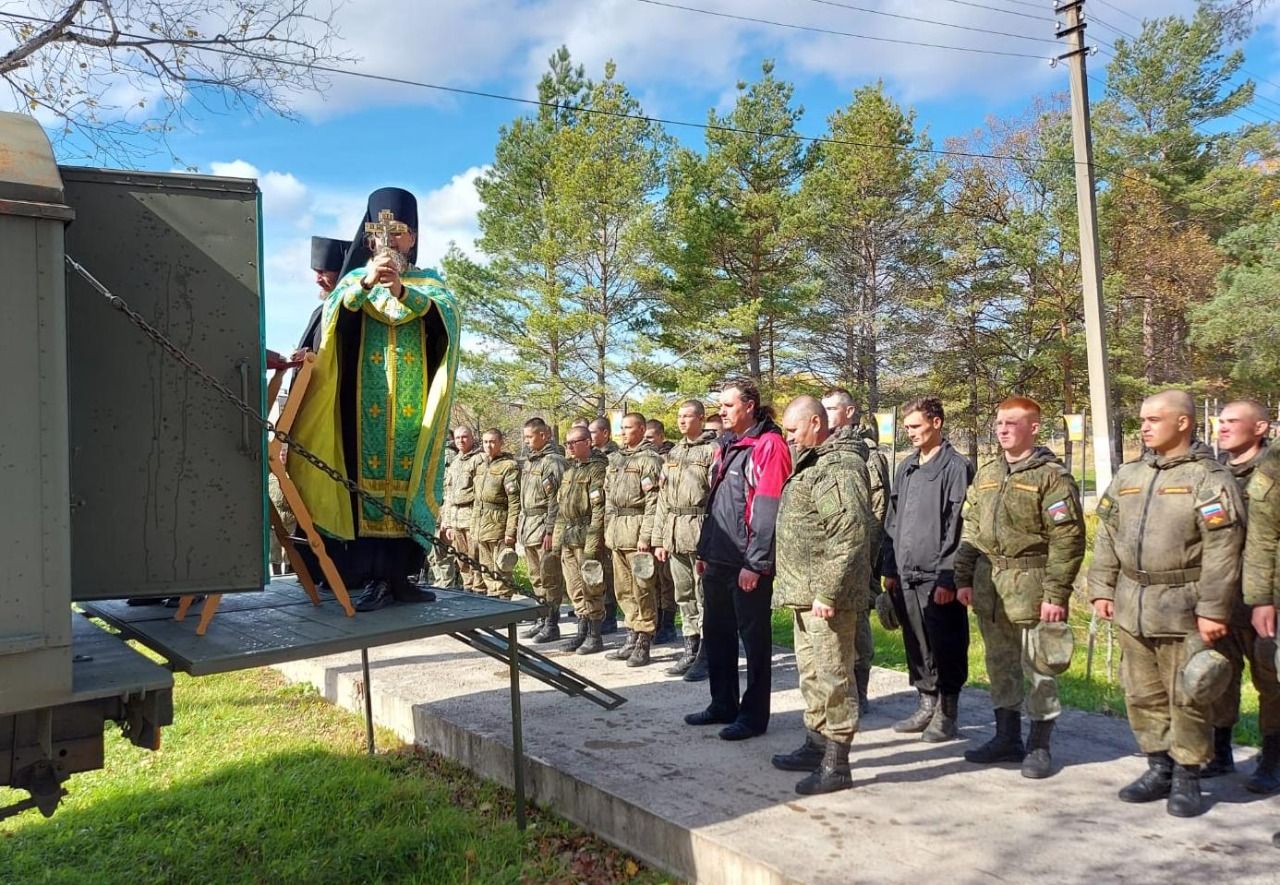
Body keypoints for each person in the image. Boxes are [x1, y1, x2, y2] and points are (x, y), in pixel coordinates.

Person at [288, 187, 460, 612]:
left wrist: (402, 291)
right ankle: (370, 578)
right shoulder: (352, 285)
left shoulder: (430, 285)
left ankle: (401, 576)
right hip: (360, 412)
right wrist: (366, 282)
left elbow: (448, 324)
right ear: (368, 241)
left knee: (407, 487)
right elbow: (332, 325)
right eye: (380, 234)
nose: (389, 241)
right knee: (360, 489)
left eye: (398, 233)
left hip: (412, 412)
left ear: (413, 238)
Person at [1089, 389, 1245, 818]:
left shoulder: (1209, 478)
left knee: (1189, 696)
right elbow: (1106, 533)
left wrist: (1213, 609)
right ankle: (1158, 767)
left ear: (1183, 423)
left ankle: (1189, 775)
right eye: (1142, 419)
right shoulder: (1129, 474)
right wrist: (1101, 587)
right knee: (1142, 694)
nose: (1144, 426)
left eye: (1154, 419)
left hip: (1184, 607)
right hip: (1133, 604)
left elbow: (1223, 548)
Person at [955, 398, 1085, 779]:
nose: (1002, 429)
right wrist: (963, 577)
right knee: (1000, 664)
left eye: (1012, 423)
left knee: (1039, 667)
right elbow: (971, 527)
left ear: (1034, 428)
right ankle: (1006, 737)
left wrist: (1056, 594)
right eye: (998, 422)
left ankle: (1039, 744)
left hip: (1032, 585)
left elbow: (1068, 538)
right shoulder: (988, 472)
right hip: (990, 585)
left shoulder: (1051, 476)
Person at [770, 396, 873, 794]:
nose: (789, 438)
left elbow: (849, 534)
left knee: (834, 677)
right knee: (811, 674)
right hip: (805, 592)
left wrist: (828, 592)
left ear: (816, 422)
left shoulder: (839, 467)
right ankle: (815, 745)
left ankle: (838, 763)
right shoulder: (813, 461)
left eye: (793, 431)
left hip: (826, 598)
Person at [687, 378, 792, 741]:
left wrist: (756, 563)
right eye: (720, 405)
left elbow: (767, 510)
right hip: (718, 559)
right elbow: (716, 503)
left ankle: (753, 716)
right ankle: (723, 703)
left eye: (728, 406)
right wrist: (705, 551)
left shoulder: (769, 445)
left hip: (747, 564)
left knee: (755, 643)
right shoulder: (727, 445)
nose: (721, 412)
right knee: (717, 636)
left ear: (749, 405)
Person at [881, 396, 973, 741]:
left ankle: (947, 711)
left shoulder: (956, 467)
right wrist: (889, 567)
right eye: (907, 428)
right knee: (916, 642)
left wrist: (951, 574)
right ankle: (925, 701)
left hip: (938, 577)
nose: (911, 434)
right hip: (906, 572)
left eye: (916, 426)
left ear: (937, 422)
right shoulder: (906, 467)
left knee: (946, 643)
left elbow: (960, 526)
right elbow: (892, 521)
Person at [1217, 401, 1280, 792]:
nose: (1222, 428)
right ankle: (1218, 751)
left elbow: (1267, 540)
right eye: (1219, 421)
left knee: (1270, 679)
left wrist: (1265, 598)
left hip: (1266, 597)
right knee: (1219, 673)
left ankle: (1272, 759)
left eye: (1231, 422)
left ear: (1260, 427)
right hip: (1222, 595)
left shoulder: (1272, 472)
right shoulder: (1216, 473)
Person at [822, 387, 889, 711]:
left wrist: (865, 557)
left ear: (849, 412)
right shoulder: (822, 450)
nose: (825, 416)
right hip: (826, 555)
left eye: (832, 409)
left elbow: (877, 510)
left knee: (857, 622)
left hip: (858, 554)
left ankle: (859, 690)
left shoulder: (867, 454)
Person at [652, 400, 717, 681]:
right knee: (684, 594)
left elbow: (717, 497)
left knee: (705, 596)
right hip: (675, 531)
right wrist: (659, 539)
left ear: (701, 419)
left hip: (700, 528)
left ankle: (708, 652)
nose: (681, 421)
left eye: (687, 416)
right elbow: (663, 500)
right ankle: (690, 647)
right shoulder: (674, 453)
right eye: (678, 416)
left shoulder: (712, 450)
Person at [604, 412, 664, 667]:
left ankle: (644, 639)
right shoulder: (616, 459)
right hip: (618, 531)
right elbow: (608, 497)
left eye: (628, 428)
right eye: (622, 428)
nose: (623, 432)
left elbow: (653, 502)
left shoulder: (649, 460)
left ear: (641, 429)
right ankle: (631, 632)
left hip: (637, 530)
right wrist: (608, 530)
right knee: (624, 588)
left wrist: (646, 535)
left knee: (643, 588)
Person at [554, 427, 610, 654]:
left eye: (573, 442)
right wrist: (557, 542)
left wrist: (592, 544)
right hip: (569, 535)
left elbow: (599, 510)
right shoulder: (569, 471)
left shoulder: (597, 469)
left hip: (586, 534)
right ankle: (582, 629)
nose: (569, 447)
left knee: (591, 586)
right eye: (567, 443)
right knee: (574, 586)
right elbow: (561, 509)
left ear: (588, 442)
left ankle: (595, 635)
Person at [519, 418, 566, 642]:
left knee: (550, 576)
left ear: (544, 435)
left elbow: (555, 500)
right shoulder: (530, 462)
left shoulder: (552, 461)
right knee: (535, 576)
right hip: (528, 524)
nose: (527, 441)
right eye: (526, 437)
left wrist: (550, 531)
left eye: (530, 437)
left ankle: (552, 622)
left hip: (543, 525)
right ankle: (541, 617)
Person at [472, 428, 521, 598]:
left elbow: (514, 502)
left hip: (498, 523)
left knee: (501, 567)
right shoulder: (480, 465)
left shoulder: (509, 466)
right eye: (485, 442)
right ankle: (493, 600)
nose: (488, 445)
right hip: (480, 523)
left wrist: (510, 531)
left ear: (500, 443)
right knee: (486, 568)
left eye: (492, 441)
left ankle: (505, 601)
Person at [645, 417, 678, 643]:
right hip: (651, 525)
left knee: (667, 579)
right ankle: (655, 620)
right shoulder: (646, 461)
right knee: (652, 578)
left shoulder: (669, 459)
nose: (647, 442)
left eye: (650, 437)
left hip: (668, 526)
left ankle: (668, 624)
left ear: (660, 436)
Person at [441, 426, 483, 592]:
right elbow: (449, 493)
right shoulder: (455, 462)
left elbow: (481, 493)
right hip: (456, 518)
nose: (460, 440)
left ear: (472, 438)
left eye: (464, 437)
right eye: (457, 438)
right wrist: (448, 521)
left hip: (472, 515)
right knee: (461, 558)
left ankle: (479, 588)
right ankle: (467, 587)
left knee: (475, 557)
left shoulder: (479, 459)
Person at [590, 416, 622, 634]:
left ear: (605, 434)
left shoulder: (614, 457)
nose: (589, 436)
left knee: (609, 571)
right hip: (595, 519)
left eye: (593, 433)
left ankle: (610, 615)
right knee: (597, 569)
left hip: (610, 519)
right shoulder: (591, 458)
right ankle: (598, 612)